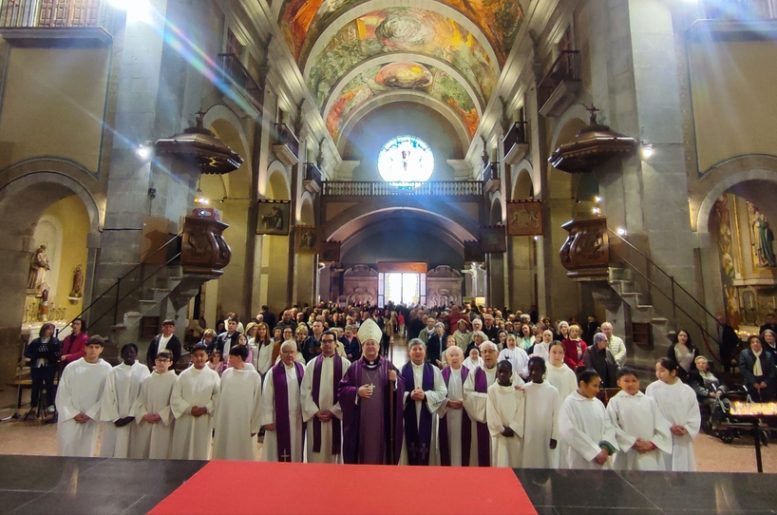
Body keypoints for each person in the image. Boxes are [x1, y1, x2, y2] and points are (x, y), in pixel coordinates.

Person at [338, 318, 405, 464]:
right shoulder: (354, 367)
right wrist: (356, 392)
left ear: (379, 347)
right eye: (367, 344)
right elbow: (342, 390)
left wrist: (396, 382)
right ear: (362, 347)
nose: (370, 347)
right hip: (360, 423)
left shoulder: (388, 365)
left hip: (382, 422)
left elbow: (401, 386)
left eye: (373, 344)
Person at [463, 341, 524, 467]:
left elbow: (520, 391)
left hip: (504, 421)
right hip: (483, 422)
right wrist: (491, 399)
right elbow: (467, 395)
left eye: (490, 351)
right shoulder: (475, 372)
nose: (487, 354)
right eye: (484, 352)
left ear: (497, 354)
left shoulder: (506, 370)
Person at [55, 336, 113, 457]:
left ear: (101, 349)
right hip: (70, 418)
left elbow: (107, 394)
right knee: (66, 450)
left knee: (86, 453)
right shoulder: (72, 367)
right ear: (85, 348)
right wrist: (73, 413)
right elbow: (63, 392)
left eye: (97, 347)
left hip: (90, 418)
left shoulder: (107, 369)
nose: (93, 350)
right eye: (90, 347)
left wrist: (91, 413)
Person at [607, 367, 671, 471]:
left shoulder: (649, 401)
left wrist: (652, 443)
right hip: (627, 451)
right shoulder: (615, 402)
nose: (630, 384)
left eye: (634, 381)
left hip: (650, 451)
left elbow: (661, 425)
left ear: (638, 382)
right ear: (619, 382)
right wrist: (632, 442)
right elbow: (611, 426)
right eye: (626, 381)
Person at [301, 331, 351, 463]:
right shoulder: (311, 365)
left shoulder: (345, 365)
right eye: (324, 341)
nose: (327, 344)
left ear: (336, 344)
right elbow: (305, 391)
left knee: (335, 456)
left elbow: (348, 392)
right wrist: (315, 411)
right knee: (316, 456)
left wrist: (334, 411)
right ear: (320, 344)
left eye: (330, 341)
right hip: (316, 417)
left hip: (337, 419)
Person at [645, 358, 701, 471]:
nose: (658, 374)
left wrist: (686, 428)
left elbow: (694, 413)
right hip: (663, 434)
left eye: (662, 370)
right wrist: (668, 427)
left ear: (673, 372)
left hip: (682, 437)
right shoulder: (652, 389)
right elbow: (651, 411)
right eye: (656, 370)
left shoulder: (687, 391)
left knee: (682, 468)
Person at [400, 339, 447, 466]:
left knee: (428, 445)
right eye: (414, 349)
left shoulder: (434, 370)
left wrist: (425, 395)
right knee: (409, 447)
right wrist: (409, 395)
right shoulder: (401, 370)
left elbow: (442, 391)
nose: (417, 352)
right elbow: (396, 393)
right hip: (408, 414)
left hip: (427, 414)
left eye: (420, 349)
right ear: (409, 352)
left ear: (425, 352)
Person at [557, 369, 618, 469]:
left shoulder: (598, 403)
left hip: (602, 457)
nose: (598, 390)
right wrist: (593, 452)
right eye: (594, 386)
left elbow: (608, 427)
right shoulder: (570, 403)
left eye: (598, 386)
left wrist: (605, 448)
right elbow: (569, 431)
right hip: (580, 459)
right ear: (583, 384)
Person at [170, 343, 220, 460]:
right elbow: (175, 397)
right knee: (182, 450)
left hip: (203, 419)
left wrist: (206, 408)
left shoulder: (213, 376)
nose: (199, 358)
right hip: (185, 418)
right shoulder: (184, 375)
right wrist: (189, 409)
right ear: (191, 358)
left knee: (200, 451)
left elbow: (218, 396)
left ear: (207, 356)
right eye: (196, 356)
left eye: (202, 355)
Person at [100, 343, 150, 458]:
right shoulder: (114, 371)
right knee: (114, 449)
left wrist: (132, 415)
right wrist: (115, 418)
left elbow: (144, 394)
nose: (129, 354)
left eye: (132, 352)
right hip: (116, 418)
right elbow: (108, 394)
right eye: (126, 352)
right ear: (121, 355)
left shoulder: (143, 370)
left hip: (135, 419)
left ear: (136, 354)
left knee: (134, 450)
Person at [212, 345, 262, 460]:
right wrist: (216, 420)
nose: (229, 359)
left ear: (239, 357)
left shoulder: (254, 377)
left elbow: (257, 402)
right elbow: (220, 398)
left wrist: (254, 426)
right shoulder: (226, 373)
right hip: (225, 421)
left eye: (231, 356)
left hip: (244, 423)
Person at [260, 340, 306, 462]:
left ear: (296, 353)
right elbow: (266, 397)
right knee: (277, 452)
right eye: (285, 352)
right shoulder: (273, 372)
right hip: (278, 420)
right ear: (280, 354)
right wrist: (267, 419)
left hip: (298, 419)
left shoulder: (302, 368)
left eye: (292, 352)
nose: (289, 355)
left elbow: (307, 392)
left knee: (297, 449)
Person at [131, 350, 177, 459]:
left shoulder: (175, 380)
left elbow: (175, 402)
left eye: (165, 361)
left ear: (170, 363)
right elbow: (139, 401)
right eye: (159, 360)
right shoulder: (147, 380)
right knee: (143, 453)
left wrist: (161, 415)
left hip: (163, 423)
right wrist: (144, 415)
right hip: (147, 422)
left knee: (161, 453)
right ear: (155, 361)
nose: (161, 363)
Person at [438, 346, 478, 466]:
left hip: (464, 413)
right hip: (447, 412)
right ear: (447, 358)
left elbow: (473, 394)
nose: (454, 358)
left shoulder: (470, 373)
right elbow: (437, 394)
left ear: (462, 357)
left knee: (464, 442)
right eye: (451, 355)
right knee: (448, 442)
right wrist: (446, 402)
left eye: (457, 355)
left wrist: (465, 402)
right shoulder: (441, 374)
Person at [521, 357, 560, 468]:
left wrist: (555, 436)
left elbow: (556, 415)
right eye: (531, 369)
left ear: (543, 371)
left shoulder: (552, 391)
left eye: (537, 369)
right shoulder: (525, 389)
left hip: (546, 435)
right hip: (529, 434)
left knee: (546, 464)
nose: (533, 372)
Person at [486, 360, 525, 467]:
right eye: (500, 371)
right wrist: (502, 429)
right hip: (500, 435)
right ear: (497, 373)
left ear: (511, 373)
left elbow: (521, 411)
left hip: (514, 433)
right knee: (500, 463)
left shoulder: (518, 390)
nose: (502, 374)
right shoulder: (492, 390)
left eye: (506, 372)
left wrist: (514, 427)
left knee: (515, 463)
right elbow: (491, 412)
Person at [24, 322, 60, 417]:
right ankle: (33, 405)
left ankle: (50, 405)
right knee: (35, 386)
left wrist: (51, 355)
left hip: (48, 366)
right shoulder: (36, 341)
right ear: (44, 330)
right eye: (48, 329)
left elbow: (57, 353)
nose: (50, 331)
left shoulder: (55, 342)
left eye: (52, 329)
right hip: (37, 366)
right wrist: (34, 356)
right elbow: (27, 352)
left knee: (49, 386)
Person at [738, 335, 777, 402]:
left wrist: (765, 382)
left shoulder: (768, 355)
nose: (755, 344)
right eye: (752, 342)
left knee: (768, 399)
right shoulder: (744, 353)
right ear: (750, 344)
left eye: (757, 342)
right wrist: (754, 382)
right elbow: (743, 369)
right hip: (750, 381)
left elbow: (772, 370)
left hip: (765, 382)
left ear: (761, 343)